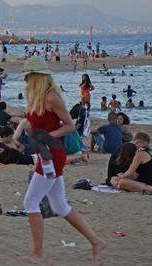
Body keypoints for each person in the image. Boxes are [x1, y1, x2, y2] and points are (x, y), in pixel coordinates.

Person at [21, 57, 106, 265]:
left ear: (36, 77)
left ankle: (38, 254)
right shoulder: (36, 97)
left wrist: (48, 136)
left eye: (28, 76)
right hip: (45, 153)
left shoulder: (51, 98)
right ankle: (96, 242)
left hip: (52, 154)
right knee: (59, 206)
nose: (25, 80)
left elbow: (69, 125)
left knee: (30, 202)